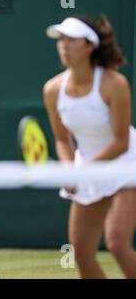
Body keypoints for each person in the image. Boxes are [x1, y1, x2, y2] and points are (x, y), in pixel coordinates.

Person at [43, 15, 136, 279]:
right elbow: (62, 139)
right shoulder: (52, 89)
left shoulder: (115, 84)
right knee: (82, 253)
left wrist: (81, 173)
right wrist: (69, 170)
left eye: (71, 40)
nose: (64, 45)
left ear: (89, 46)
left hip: (127, 165)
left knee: (117, 243)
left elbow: (121, 142)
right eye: (61, 40)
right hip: (86, 167)